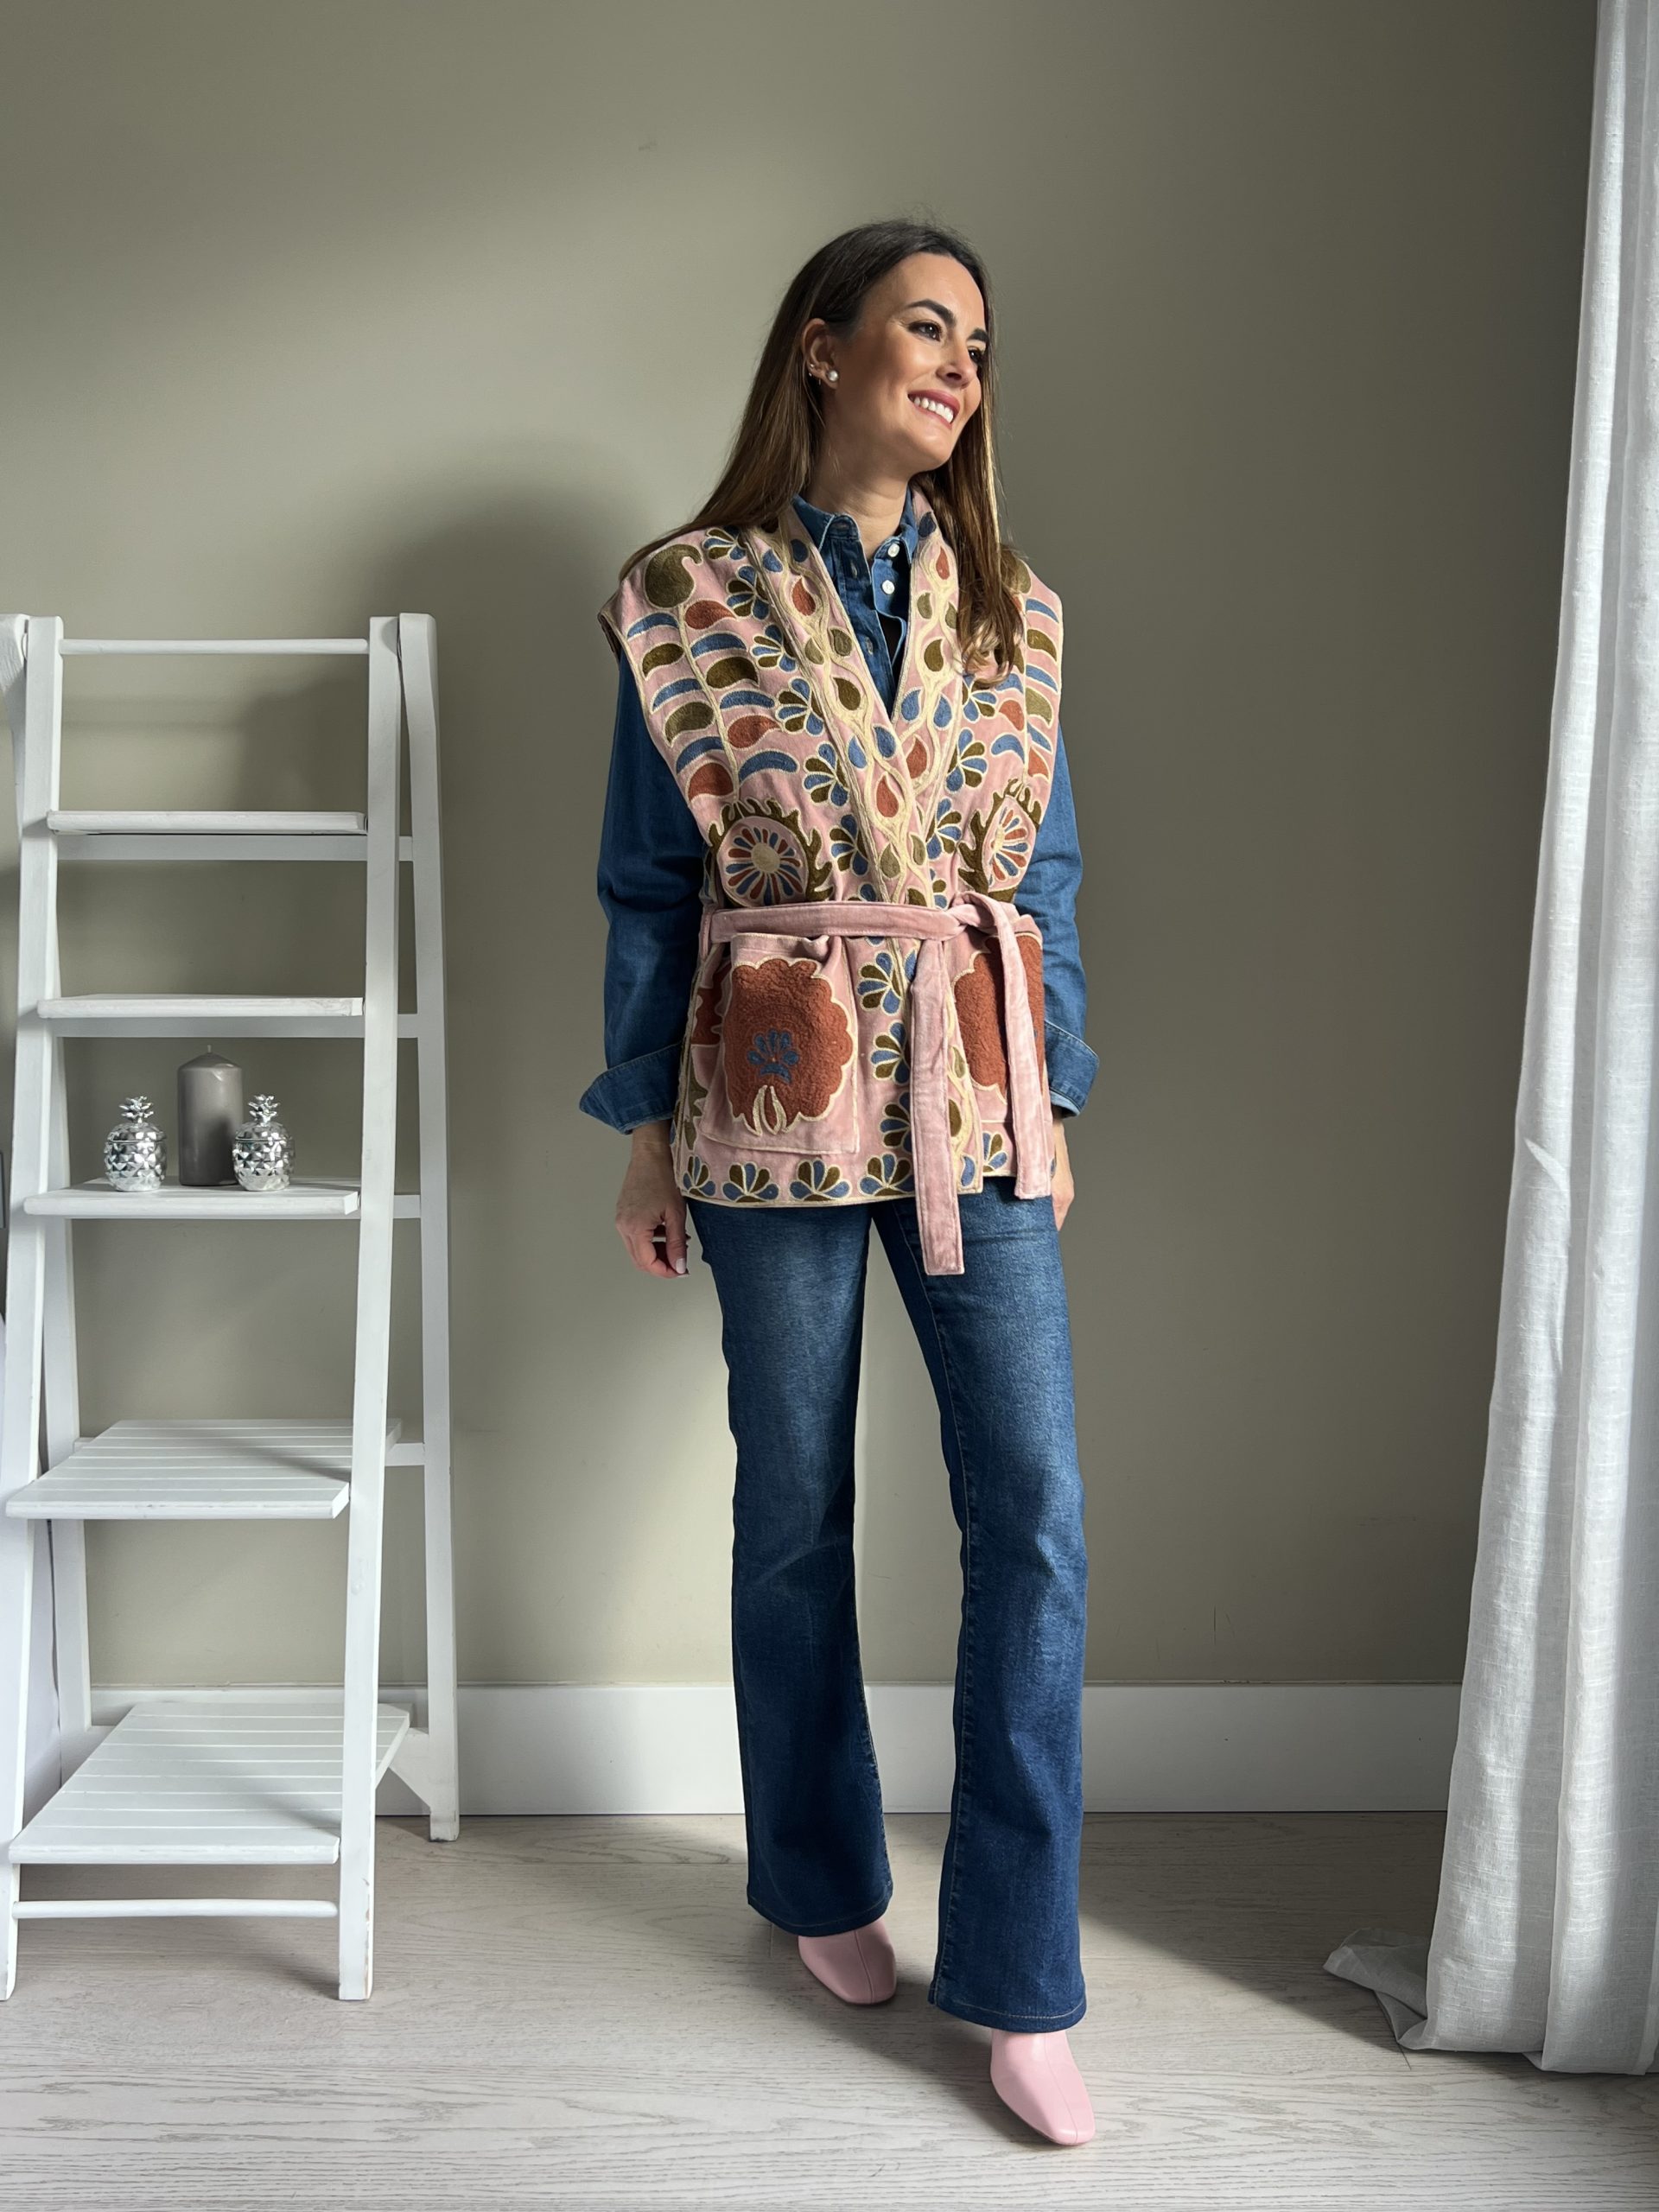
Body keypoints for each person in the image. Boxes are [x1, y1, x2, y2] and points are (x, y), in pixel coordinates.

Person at [578, 219, 1099, 2148]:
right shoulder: (687, 597)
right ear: (821, 347)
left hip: (977, 1089)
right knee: (792, 1507)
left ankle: (1022, 1977)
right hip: (769, 1089)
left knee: (1032, 1515)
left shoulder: (1014, 610)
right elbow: (652, 888)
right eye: (925, 328)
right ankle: (817, 1877)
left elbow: (1045, 881)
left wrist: (1059, 1097)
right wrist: (646, 1129)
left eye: (980, 343)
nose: (960, 366)